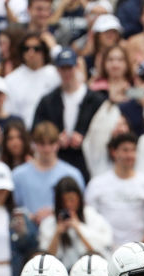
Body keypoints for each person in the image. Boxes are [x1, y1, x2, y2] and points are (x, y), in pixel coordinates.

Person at [85, 126, 144, 248]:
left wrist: (139, 248)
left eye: (133, 150)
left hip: (139, 250)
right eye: (125, 150)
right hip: (105, 249)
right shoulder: (97, 184)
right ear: (114, 152)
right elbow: (91, 220)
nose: (130, 155)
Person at [32, 49, 106, 180]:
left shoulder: (95, 100)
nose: (66, 73)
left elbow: (104, 129)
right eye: (62, 68)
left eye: (69, 68)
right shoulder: (48, 101)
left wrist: (85, 137)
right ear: (57, 70)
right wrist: (55, 138)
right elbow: (37, 129)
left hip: (89, 161)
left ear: (76, 67)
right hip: (58, 159)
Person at [12, 121, 87, 224]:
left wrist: (54, 213)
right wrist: (29, 216)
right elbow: (12, 208)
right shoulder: (18, 175)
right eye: (42, 144)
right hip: (29, 233)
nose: (47, 149)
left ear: (58, 144)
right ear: (34, 144)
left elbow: (81, 208)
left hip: (62, 232)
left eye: (51, 143)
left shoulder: (72, 174)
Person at [5, 34, 63, 126]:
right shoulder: (11, 79)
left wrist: (55, 49)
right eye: (26, 48)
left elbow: (78, 78)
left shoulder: (56, 74)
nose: (31, 52)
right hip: (24, 135)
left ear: (44, 51)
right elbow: (9, 112)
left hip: (52, 135)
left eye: (37, 49)